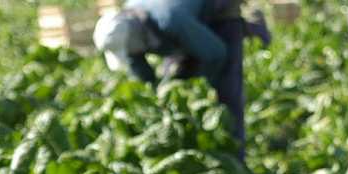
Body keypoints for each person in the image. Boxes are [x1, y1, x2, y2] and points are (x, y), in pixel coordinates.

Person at [93, 0, 270, 154]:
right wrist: (157, 98)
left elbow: (217, 54)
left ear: (135, 37)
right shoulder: (129, 27)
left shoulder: (168, 20)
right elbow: (140, 69)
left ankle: (236, 162)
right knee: (175, 81)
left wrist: (196, 84)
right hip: (183, 21)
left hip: (218, 12)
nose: (131, 54)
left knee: (226, 93)